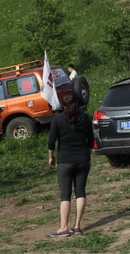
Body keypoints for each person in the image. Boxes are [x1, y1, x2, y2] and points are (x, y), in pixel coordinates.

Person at [48, 93, 93, 237]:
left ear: (63, 104)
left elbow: (51, 141)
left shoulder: (57, 119)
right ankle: (77, 226)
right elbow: (91, 141)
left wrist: (51, 157)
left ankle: (63, 228)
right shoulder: (85, 118)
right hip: (83, 160)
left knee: (65, 196)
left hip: (65, 162)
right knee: (80, 192)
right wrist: (87, 156)